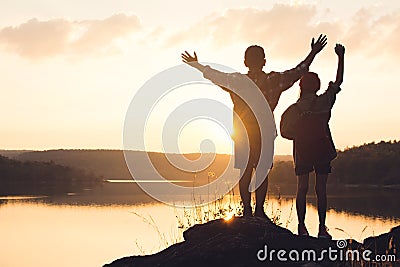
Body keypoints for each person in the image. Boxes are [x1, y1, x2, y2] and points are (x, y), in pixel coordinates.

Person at [181, 34, 327, 219]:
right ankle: (258, 211)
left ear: (245, 62)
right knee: (262, 172)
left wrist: (197, 65)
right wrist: (313, 53)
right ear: (264, 62)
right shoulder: (273, 80)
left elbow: (214, 75)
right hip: (264, 133)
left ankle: (247, 210)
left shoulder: (237, 81)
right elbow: (299, 71)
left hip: (242, 132)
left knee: (245, 170)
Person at [294, 44, 345, 238]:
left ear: (301, 86)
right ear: (317, 86)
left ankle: (301, 227)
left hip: (302, 151)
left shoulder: (295, 107)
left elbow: (286, 132)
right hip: (322, 149)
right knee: (321, 190)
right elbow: (339, 81)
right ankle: (322, 228)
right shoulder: (325, 101)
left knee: (302, 188)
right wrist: (340, 57)